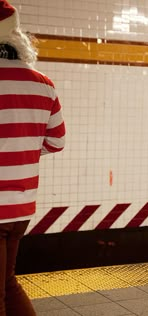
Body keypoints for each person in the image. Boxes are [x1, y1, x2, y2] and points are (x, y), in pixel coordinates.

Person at [0, 1, 66, 315]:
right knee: (7, 282)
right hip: (21, 206)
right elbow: (56, 142)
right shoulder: (43, 84)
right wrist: (23, 148)